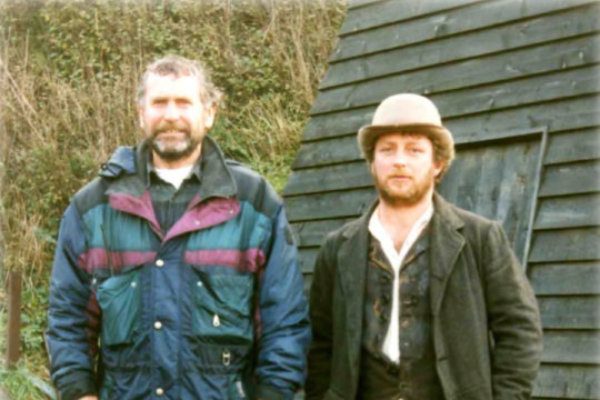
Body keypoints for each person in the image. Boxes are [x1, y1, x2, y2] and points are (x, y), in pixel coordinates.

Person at [47, 55, 310, 400]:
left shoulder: (254, 204)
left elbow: (284, 323)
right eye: (159, 102)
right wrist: (79, 393)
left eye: (184, 102)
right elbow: (67, 320)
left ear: (210, 113)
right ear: (142, 113)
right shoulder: (93, 208)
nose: (171, 115)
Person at [306, 93, 543, 400]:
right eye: (387, 150)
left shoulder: (480, 239)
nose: (399, 161)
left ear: (437, 164)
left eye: (415, 149)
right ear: (373, 163)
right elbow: (320, 346)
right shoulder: (337, 248)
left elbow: (520, 332)